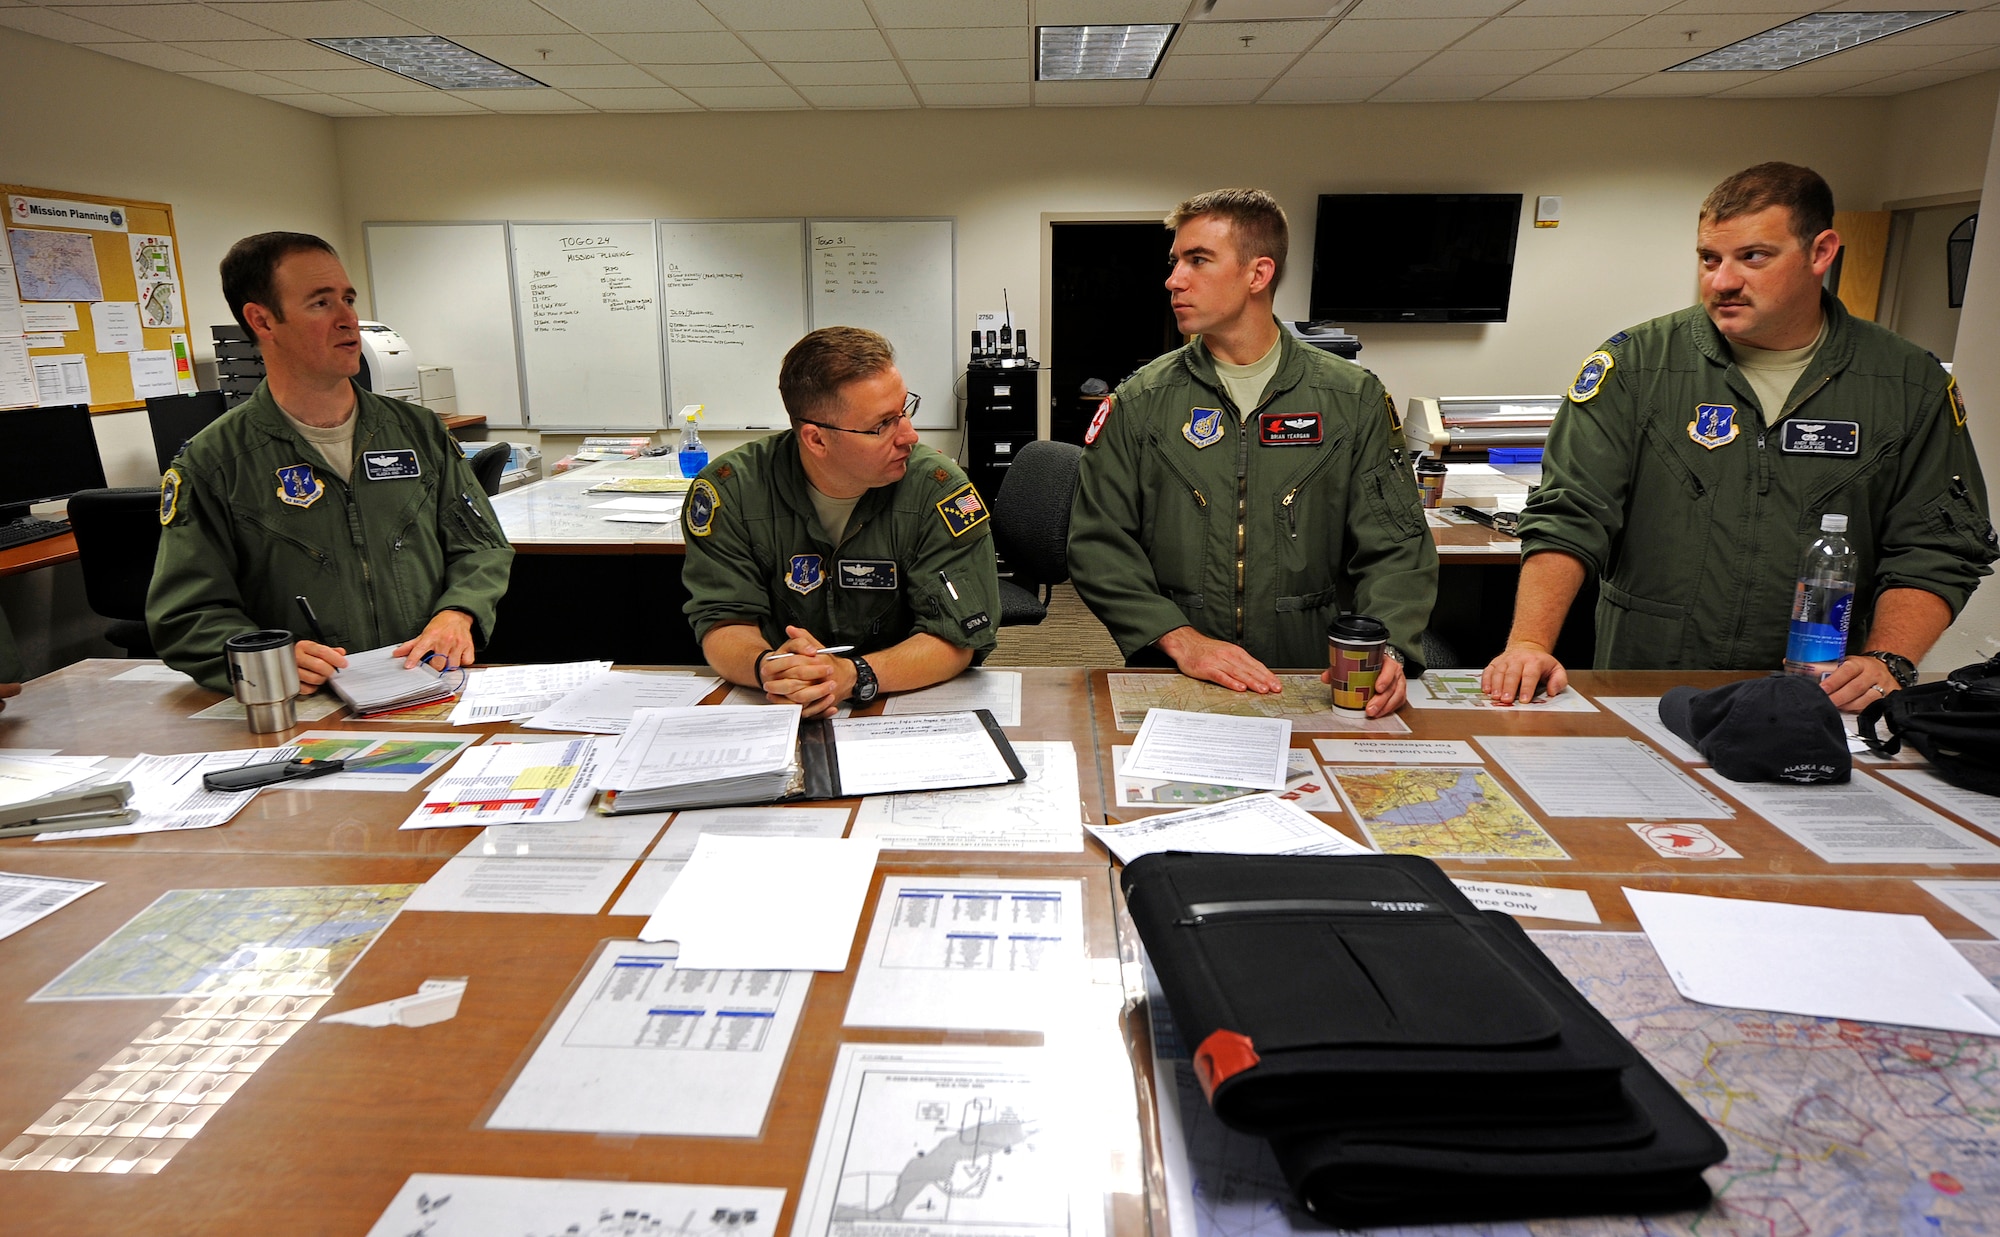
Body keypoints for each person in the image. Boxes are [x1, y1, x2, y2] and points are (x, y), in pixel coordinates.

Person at [1484, 163, 1996, 712]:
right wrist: (1529, 644)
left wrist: (1890, 659)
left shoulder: (1906, 382)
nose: (1722, 281)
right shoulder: (1638, 365)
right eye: (1710, 259)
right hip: (1647, 686)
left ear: (1821, 252)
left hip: (1823, 697)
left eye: (1753, 257)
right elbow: (1570, 514)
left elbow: (1938, 544)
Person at [1066, 188, 1437, 717]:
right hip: (1177, 676)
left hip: (1313, 678)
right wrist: (1178, 638)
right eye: (1175, 262)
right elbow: (1097, 542)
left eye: (1198, 260)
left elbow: (1397, 545)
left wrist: (1388, 645)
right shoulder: (1141, 400)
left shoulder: (1349, 398)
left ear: (1257, 274)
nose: (1173, 280)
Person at [147, 232, 513, 694]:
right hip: (308, 706)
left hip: (432, 684)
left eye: (348, 299)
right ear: (262, 320)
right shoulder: (215, 462)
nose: (349, 320)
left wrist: (458, 613)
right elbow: (185, 615)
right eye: (321, 303)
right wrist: (263, 657)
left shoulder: (418, 432)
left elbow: (481, 547)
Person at [681, 326, 1002, 718]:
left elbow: (957, 636)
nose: (910, 436)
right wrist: (771, 669)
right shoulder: (733, 491)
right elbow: (723, 620)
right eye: (883, 424)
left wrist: (852, 675)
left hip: (903, 704)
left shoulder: (937, 490)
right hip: (778, 711)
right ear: (816, 439)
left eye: (905, 409)